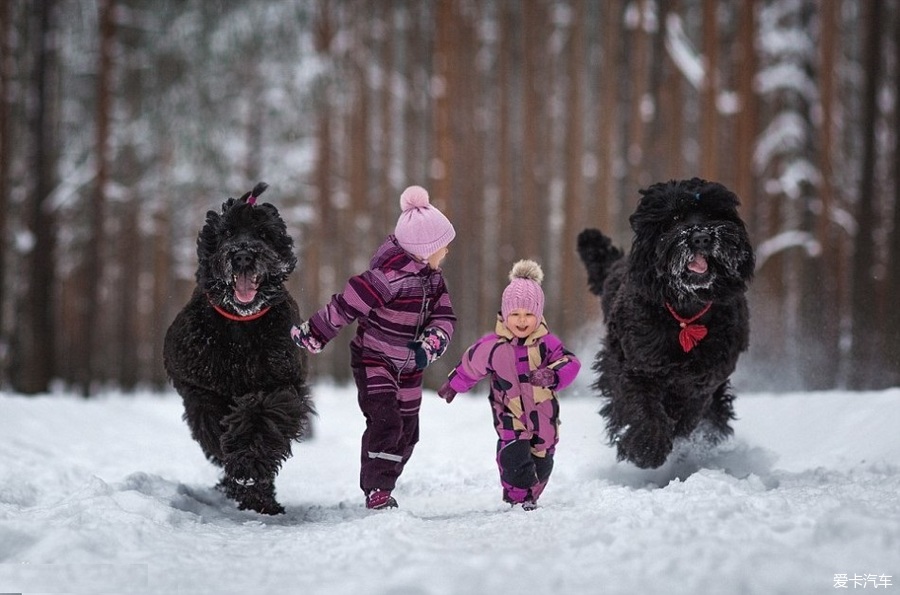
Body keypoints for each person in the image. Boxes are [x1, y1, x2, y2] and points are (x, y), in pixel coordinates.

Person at [291, 185, 456, 510]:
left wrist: (433, 341)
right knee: (386, 422)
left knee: (408, 432)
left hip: (410, 368)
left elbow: (446, 317)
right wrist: (316, 332)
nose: (446, 253)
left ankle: (386, 477)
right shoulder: (387, 279)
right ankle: (377, 488)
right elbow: (345, 305)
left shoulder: (435, 282)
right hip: (374, 360)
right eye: (443, 247)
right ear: (424, 250)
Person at [437, 260, 580, 510]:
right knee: (513, 455)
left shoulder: (547, 343)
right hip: (509, 414)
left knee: (543, 459)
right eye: (515, 314)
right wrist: (454, 384)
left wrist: (552, 375)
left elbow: (570, 363)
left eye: (529, 314)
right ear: (505, 314)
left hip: (543, 416)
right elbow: (471, 364)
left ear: (539, 315)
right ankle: (518, 497)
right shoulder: (493, 346)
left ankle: (531, 494)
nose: (522, 321)